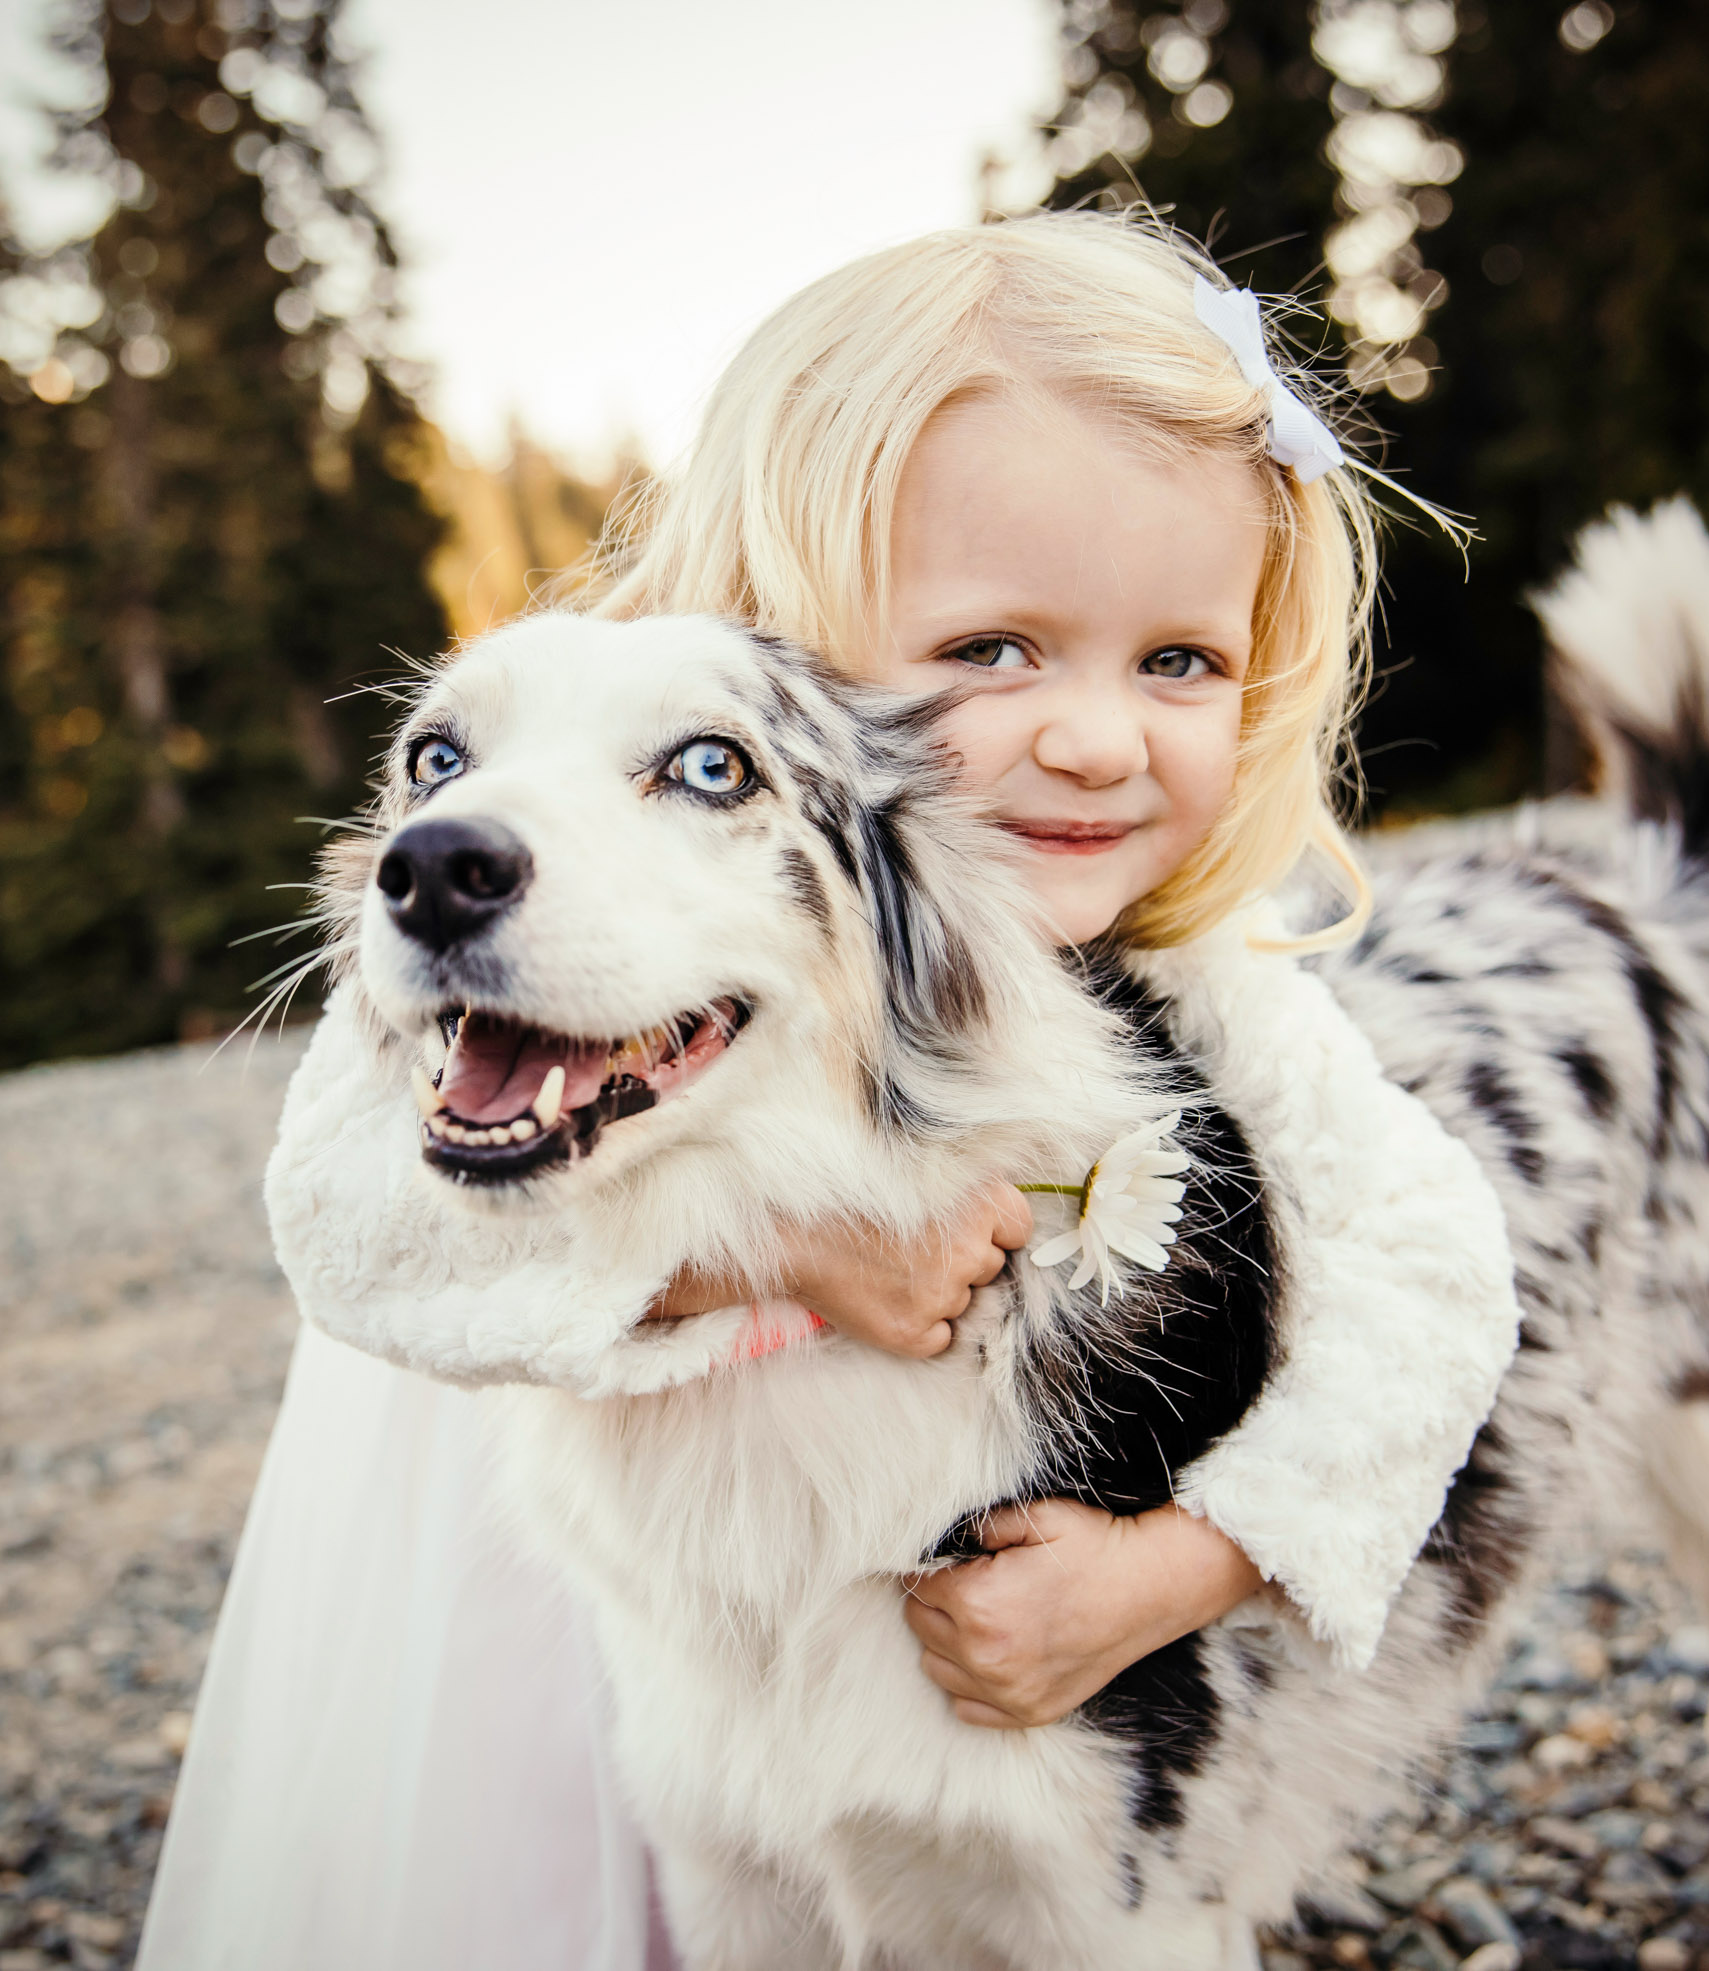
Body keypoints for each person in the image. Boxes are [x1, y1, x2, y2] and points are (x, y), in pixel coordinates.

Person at [138, 211, 1519, 1969]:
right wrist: (777, 1263)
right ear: (800, 614)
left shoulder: (1196, 972)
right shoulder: (562, 836)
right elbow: (346, 1232)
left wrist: (1165, 1576)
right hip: (575, 1573)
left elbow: (1434, 1282)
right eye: (993, 648)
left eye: (1177, 661)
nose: (1094, 738)